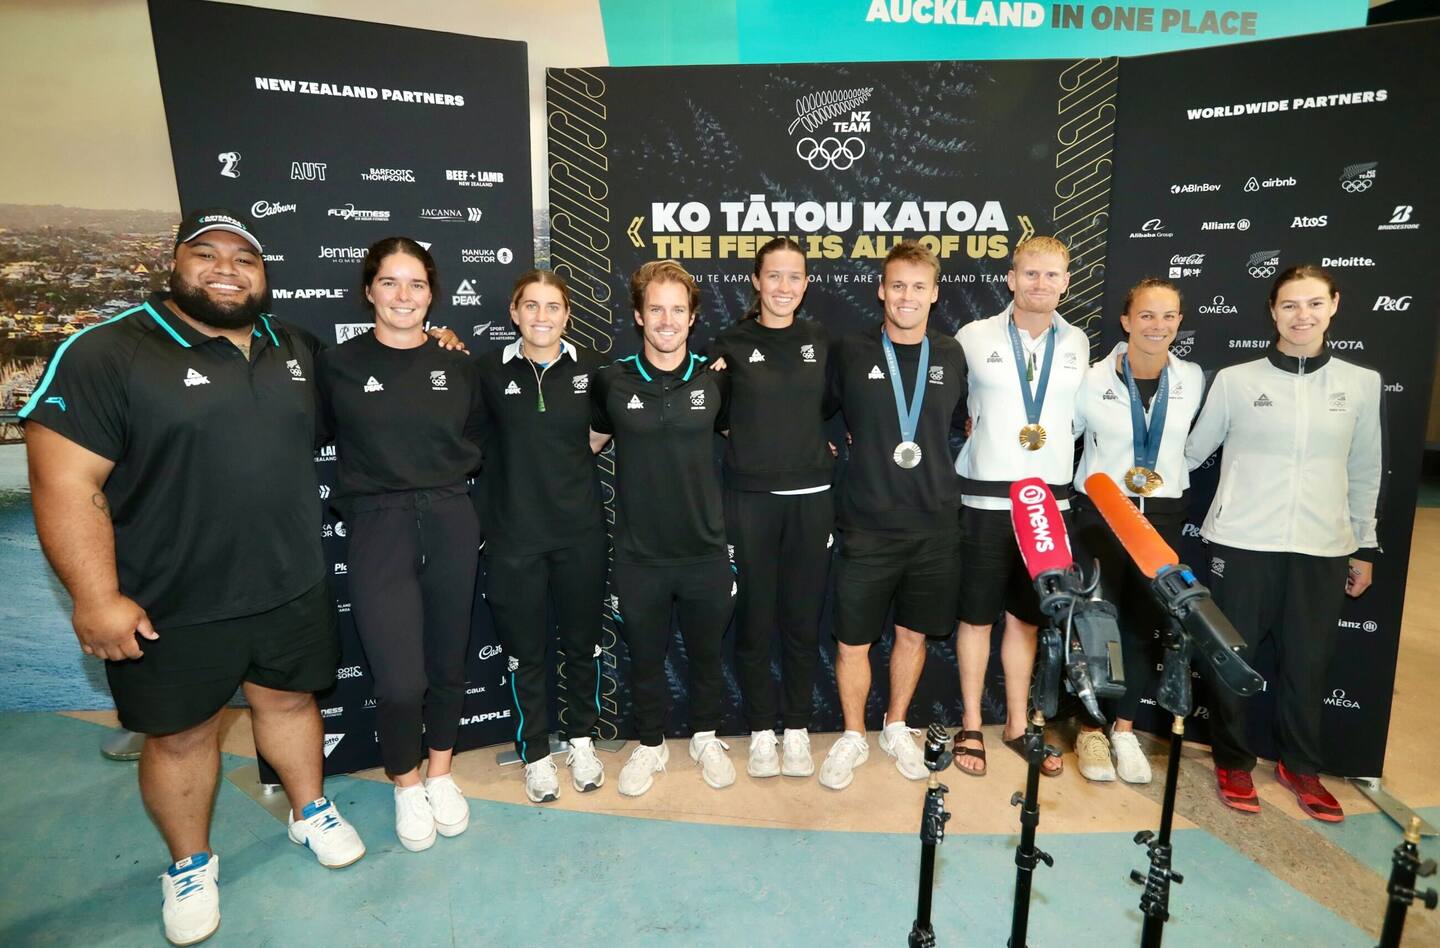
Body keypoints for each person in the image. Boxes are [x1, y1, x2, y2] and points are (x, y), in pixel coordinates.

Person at [23, 209, 365, 946]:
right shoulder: (107, 353)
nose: (226, 269)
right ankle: (188, 862)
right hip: (169, 602)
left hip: (289, 582)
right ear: (173, 263)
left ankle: (310, 811)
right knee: (180, 738)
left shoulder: (292, 345)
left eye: (245, 258)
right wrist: (95, 597)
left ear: (264, 273)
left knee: (290, 701)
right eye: (206, 254)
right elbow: (63, 482)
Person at [1185, 265, 1380, 822]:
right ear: (1272, 311)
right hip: (1243, 540)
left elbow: (1366, 469)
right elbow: (1194, 452)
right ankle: (1233, 761)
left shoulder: (1360, 383)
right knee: (1233, 656)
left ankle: (1300, 766)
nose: (1303, 316)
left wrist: (1362, 545)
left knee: (1309, 662)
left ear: (1334, 305)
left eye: (1314, 304)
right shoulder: (1237, 379)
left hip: (1323, 546)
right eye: (1291, 305)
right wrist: (1135, 482)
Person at [316, 237, 483, 851]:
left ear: (432, 293)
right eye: (390, 282)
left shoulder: (459, 365)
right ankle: (406, 783)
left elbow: (476, 439)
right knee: (397, 680)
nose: (403, 295)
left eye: (416, 284)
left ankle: (440, 772)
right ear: (369, 290)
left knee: (448, 663)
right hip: (378, 525)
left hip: (449, 516)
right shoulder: (336, 366)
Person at [818, 240, 969, 791]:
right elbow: (819, 413)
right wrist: (836, 445)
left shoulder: (951, 353)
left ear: (934, 293)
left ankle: (895, 724)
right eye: (897, 286)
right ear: (881, 291)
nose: (907, 297)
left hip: (934, 527)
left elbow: (959, 423)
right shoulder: (851, 351)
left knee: (913, 636)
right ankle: (854, 733)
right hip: (865, 523)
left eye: (918, 287)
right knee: (852, 642)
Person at [589, 260, 736, 796]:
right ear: (638, 315)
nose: (667, 320)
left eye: (678, 309)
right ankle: (649, 744)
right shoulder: (611, 379)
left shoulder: (717, 378)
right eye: (656, 309)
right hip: (638, 553)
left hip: (705, 549)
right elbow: (584, 446)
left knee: (706, 656)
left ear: (693, 317)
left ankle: (704, 735)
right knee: (645, 659)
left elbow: (753, 436)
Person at [953, 236, 1090, 778]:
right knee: (975, 617)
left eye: (1051, 275)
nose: (1040, 284)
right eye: (1030, 273)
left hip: (1048, 502)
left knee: (1026, 622)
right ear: (1010, 279)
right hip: (985, 496)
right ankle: (968, 722)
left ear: (1066, 281)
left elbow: (1078, 423)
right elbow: (958, 406)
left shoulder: (1078, 343)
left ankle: (1015, 724)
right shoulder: (973, 336)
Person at [474, 269, 608, 804]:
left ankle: (580, 740)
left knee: (582, 645)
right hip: (513, 537)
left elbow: (597, 436)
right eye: (531, 306)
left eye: (553, 307)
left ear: (567, 315)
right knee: (524, 653)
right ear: (514, 312)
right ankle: (535, 753)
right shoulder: (485, 371)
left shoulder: (593, 371)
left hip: (579, 533)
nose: (542, 316)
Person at [1070, 278, 1205, 783]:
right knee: (1097, 623)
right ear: (1126, 322)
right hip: (1102, 513)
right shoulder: (1091, 379)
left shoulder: (1191, 378)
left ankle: (1124, 730)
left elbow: (1194, 446)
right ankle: (1089, 730)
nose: (1158, 326)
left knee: (1146, 625)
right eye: (1147, 315)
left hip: (1162, 513)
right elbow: (1067, 439)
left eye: (1169, 316)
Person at [707, 238, 833, 779]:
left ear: (806, 284)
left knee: (803, 619)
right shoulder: (730, 343)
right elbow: (715, 413)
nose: (784, 287)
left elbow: (827, 407)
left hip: (810, 499)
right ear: (756, 281)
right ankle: (761, 730)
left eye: (795, 277)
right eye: (774, 276)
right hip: (750, 500)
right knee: (756, 618)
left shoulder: (821, 341)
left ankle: (798, 728)